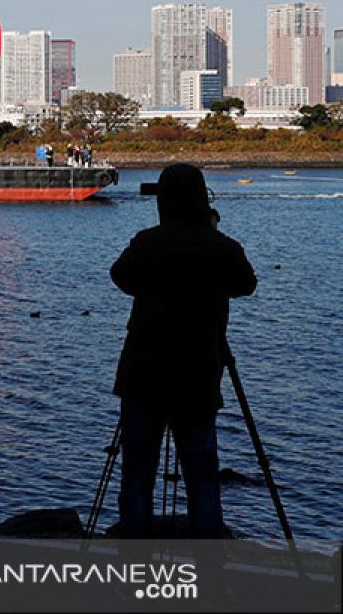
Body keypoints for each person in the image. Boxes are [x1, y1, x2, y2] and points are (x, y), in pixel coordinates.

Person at [111, 163, 256, 540]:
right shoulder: (222, 247)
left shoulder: (147, 242)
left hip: (143, 374)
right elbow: (246, 285)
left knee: (137, 477)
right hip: (198, 374)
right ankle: (209, 571)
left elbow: (120, 276)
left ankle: (133, 570)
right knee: (202, 476)